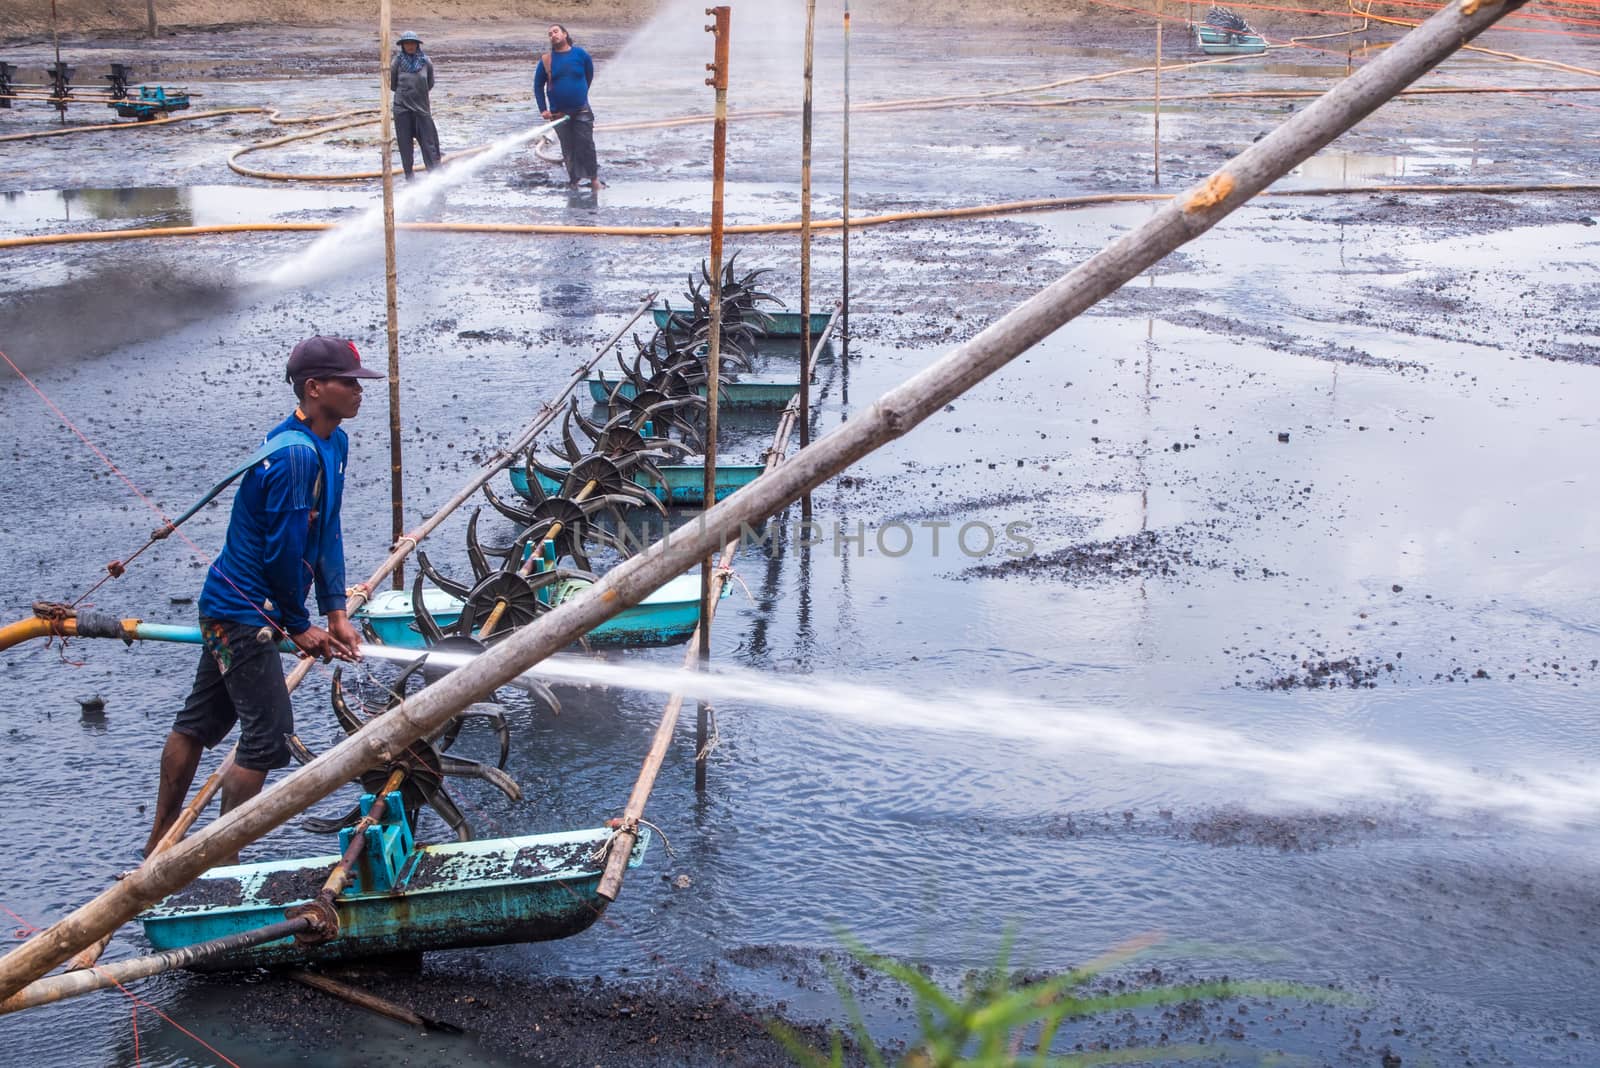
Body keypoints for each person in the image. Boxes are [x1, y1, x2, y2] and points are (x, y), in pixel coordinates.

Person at [142, 336, 383, 860]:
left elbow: (326, 535)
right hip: (242, 613)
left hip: (253, 608)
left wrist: (335, 612)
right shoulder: (295, 455)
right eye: (349, 383)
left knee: (201, 722)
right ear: (315, 388)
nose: (359, 392)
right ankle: (214, 862)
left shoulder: (334, 443)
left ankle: (160, 850)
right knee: (267, 736)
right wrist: (299, 626)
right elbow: (282, 551)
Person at [534, 23, 600, 189]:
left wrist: (579, 94)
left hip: (581, 109)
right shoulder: (546, 61)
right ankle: (574, 180)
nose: (553, 35)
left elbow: (588, 76)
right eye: (550, 34)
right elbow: (537, 86)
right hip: (558, 113)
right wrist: (543, 109)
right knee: (568, 147)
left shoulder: (581, 54)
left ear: (564, 34)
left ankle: (594, 180)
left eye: (556, 32)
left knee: (586, 144)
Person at [390, 30, 442, 181]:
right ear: (403, 46)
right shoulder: (397, 62)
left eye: (412, 43)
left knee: (429, 145)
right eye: (407, 44)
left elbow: (429, 84)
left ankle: (435, 178)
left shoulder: (426, 62)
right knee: (405, 146)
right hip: (402, 110)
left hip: (421, 109)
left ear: (417, 45)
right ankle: (409, 178)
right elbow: (393, 85)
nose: (410, 46)